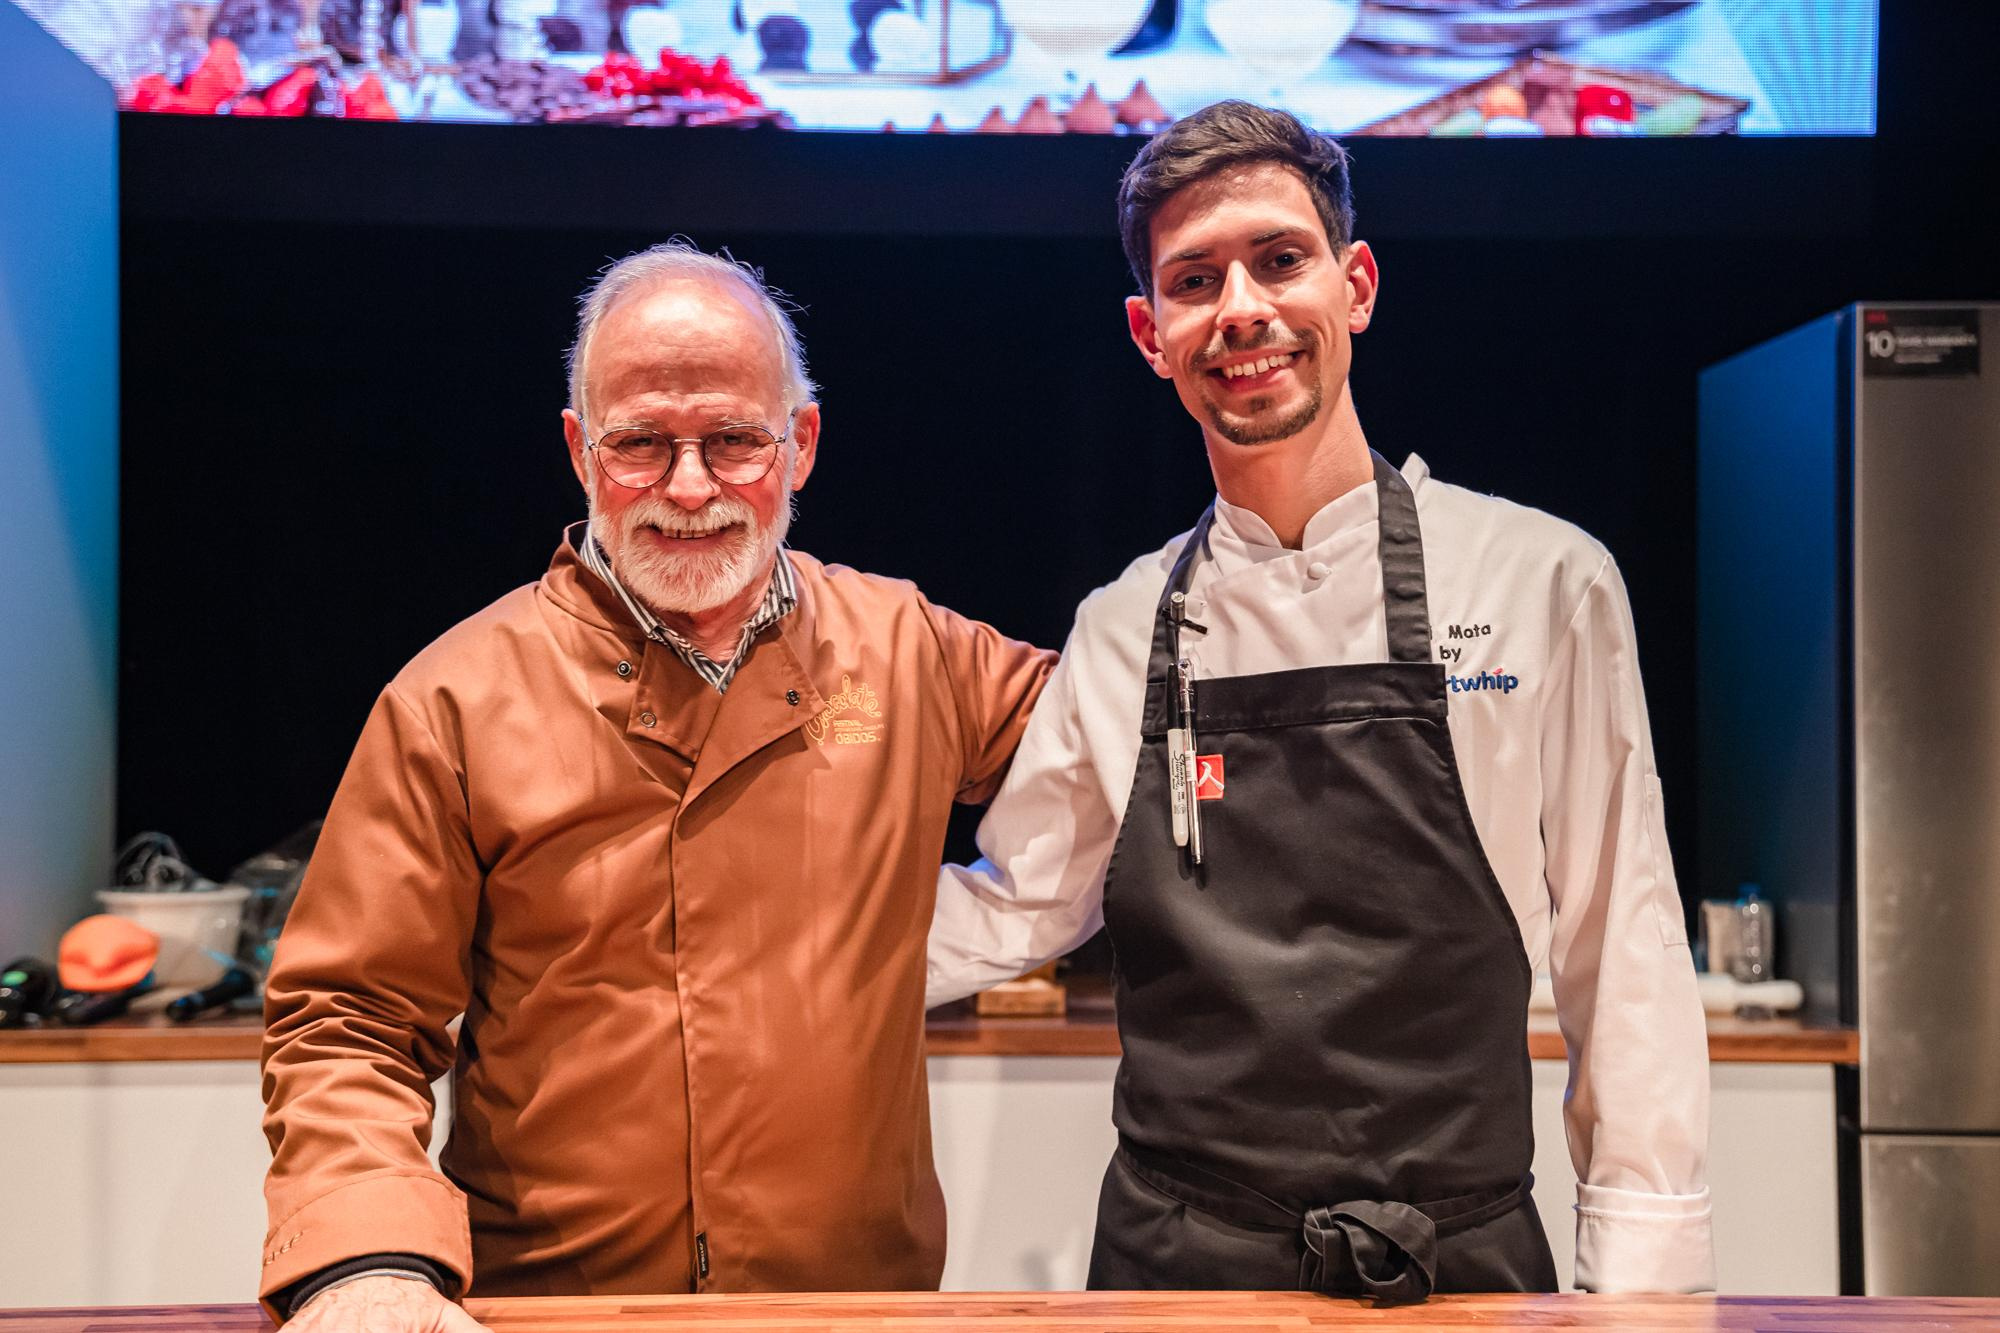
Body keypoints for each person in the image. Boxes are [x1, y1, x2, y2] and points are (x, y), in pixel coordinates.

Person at [927, 102, 1714, 1299]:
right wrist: (751, 947)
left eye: (1278, 259)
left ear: (1354, 285)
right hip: (1175, 1268)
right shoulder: (1123, 622)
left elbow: (1626, 950)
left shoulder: (1545, 581)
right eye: (1194, 279)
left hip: (1457, 1263)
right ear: (1151, 332)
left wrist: (1647, 1289)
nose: (1239, 307)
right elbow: (1017, 907)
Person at [262, 242, 1054, 1328]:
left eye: (733, 440)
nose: (690, 488)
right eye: (641, 444)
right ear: (580, 449)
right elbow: (349, 1019)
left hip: (859, 1310)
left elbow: (1119, 749)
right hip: (552, 1314)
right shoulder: (450, 700)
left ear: (801, 444)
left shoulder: (909, 648)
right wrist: (367, 1257)